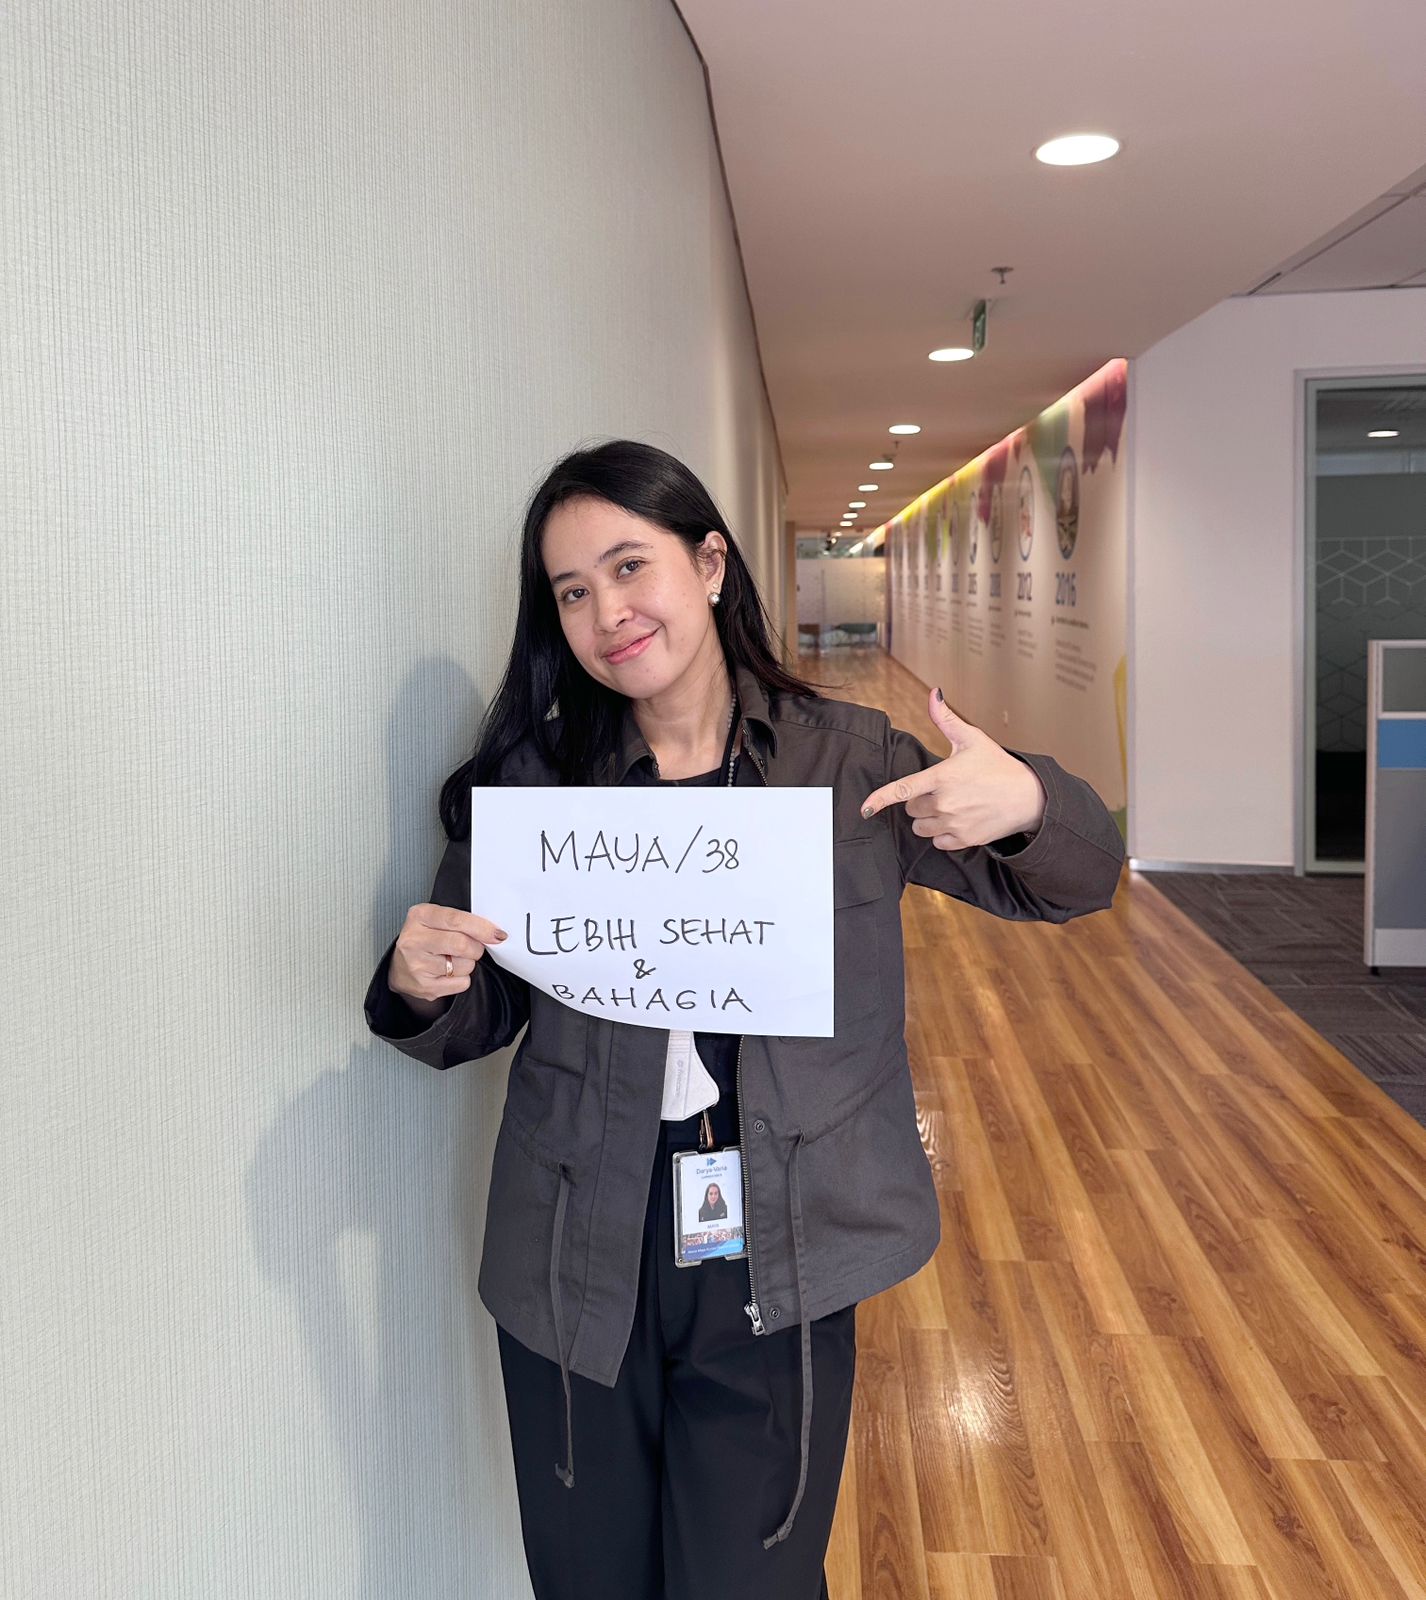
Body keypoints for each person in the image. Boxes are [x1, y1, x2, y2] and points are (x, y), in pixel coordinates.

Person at [363, 439, 1125, 1600]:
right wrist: (422, 983)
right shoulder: (536, 784)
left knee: (748, 1579)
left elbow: (1076, 880)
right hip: (574, 1240)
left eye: (630, 567)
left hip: (777, 1235)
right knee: (588, 1579)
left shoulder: (847, 766)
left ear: (710, 563)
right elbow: (482, 1011)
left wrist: (1024, 800)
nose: (607, 613)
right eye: (571, 592)